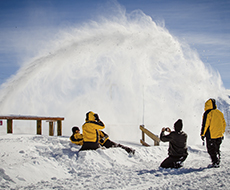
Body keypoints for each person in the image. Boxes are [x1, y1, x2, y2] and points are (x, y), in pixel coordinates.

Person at [200, 98, 226, 168]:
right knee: (217, 148)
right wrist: (222, 133)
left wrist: (202, 134)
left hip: (211, 135)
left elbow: (205, 124)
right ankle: (217, 160)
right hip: (219, 135)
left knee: (211, 149)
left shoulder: (208, 113)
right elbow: (224, 124)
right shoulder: (219, 113)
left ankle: (215, 162)